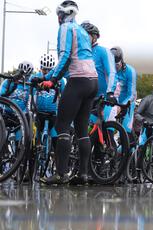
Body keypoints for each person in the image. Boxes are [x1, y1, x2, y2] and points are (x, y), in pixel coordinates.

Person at [40, 1, 98, 185]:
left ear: (63, 15)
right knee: (82, 130)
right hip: (92, 82)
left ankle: (61, 174)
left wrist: (52, 80)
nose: (58, 18)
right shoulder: (82, 30)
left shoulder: (66, 27)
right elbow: (73, 60)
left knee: (61, 126)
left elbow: (65, 57)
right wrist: (48, 76)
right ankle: (83, 175)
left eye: (58, 14)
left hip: (78, 80)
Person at [30, 54, 66, 150]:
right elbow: (29, 93)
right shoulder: (35, 77)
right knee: (34, 143)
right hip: (39, 112)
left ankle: (55, 160)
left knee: (56, 141)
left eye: (49, 70)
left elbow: (65, 97)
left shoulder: (60, 80)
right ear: (41, 68)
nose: (47, 72)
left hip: (53, 114)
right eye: (44, 69)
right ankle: (34, 162)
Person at [110, 46, 137, 135]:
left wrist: (121, 106)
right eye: (112, 65)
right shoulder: (109, 69)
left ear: (121, 60)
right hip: (112, 100)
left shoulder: (130, 71)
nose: (115, 68)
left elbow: (132, 94)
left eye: (117, 65)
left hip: (127, 101)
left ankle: (129, 144)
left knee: (125, 131)